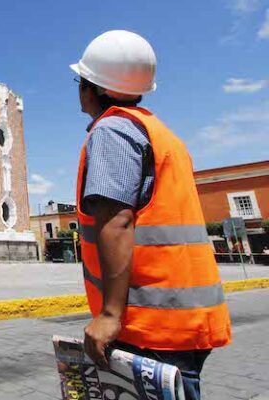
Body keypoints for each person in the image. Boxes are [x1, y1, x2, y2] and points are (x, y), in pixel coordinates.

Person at [71, 30, 231, 399]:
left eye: (80, 82)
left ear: (90, 87)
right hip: (187, 319)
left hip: (150, 323)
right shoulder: (162, 134)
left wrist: (110, 315)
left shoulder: (112, 130)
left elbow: (118, 221)